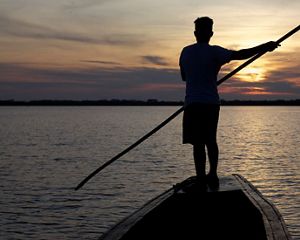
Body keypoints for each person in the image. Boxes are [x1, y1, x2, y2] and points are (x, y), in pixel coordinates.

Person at [179, 17, 279, 189]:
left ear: (195, 33)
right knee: (210, 139)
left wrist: (200, 75)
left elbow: (184, 77)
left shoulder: (185, 52)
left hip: (192, 103)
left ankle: (201, 176)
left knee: (197, 143)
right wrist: (265, 47)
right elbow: (241, 54)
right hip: (210, 103)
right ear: (211, 33)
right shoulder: (216, 52)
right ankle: (212, 173)